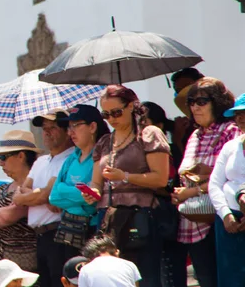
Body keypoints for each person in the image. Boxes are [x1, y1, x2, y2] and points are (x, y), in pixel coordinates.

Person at [82, 85, 170, 287]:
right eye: (106, 114)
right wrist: (92, 192)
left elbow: (160, 179)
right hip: (110, 220)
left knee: (146, 278)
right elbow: (97, 181)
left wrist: (126, 176)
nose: (112, 119)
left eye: (116, 112)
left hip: (141, 216)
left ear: (131, 106)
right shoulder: (105, 142)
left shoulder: (149, 135)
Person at [172, 77, 239, 287]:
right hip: (195, 216)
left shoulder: (231, 130)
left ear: (217, 102)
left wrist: (190, 192)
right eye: (191, 102)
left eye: (202, 101)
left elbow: (231, 177)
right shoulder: (195, 135)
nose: (195, 107)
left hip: (223, 215)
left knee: (227, 278)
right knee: (206, 279)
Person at [12, 112, 74, 287]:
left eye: (52, 128)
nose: (46, 132)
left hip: (58, 233)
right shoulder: (40, 161)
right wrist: (43, 198)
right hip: (39, 236)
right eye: (44, 129)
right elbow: (20, 193)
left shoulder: (71, 158)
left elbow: (46, 193)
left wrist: (41, 196)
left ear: (66, 130)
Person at [0, 130, 41, 274]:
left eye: (3, 157)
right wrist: (2, 218)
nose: (0, 163)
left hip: (25, 272)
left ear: (21, 156)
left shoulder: (33, 188)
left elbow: (10, 215)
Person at [49, 105, 109, 259]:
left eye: (76, 125)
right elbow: (54, 197)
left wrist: (65, 191)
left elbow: (92, 203)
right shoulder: (70, 159)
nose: (71, 132)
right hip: (69, 231)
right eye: (69, 127)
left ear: (93, 127)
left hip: (92, 230)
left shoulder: (102, 157)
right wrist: (81, 196)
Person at [141, 101, 182, 287]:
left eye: (144, 122)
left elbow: (167, 184)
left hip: (164, 215)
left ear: (159, 126)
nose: (141, 128)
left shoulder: (170, 151)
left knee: (169, 273)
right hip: (145, 219)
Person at [207, 96, 245, 287]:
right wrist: (226, 215)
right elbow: (214, 183)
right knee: (231, 278)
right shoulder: (230, 146)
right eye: (237, 115)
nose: (241, 118)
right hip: (230, 222)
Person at [171, 68, 205, 154]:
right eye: (179, 91)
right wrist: (178, 135)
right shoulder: (187, 127)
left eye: (187, 88)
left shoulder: (228, 125)